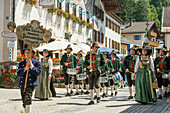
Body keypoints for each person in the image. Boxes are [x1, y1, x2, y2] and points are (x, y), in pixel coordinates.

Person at [17, 46, 41, 113]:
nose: (27, 54)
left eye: (29, 53)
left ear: (32, 54)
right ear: (24, 54)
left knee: (28, 98)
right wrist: (25, 69)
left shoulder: (36, 62)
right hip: (23, 83)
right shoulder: (21, 63)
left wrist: (32, 67)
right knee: (24, 100)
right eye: (26, 53)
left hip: (31, 83)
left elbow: (38, 73)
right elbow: (18, 73)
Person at [134, 38, 157, 104]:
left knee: (148, 85)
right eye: (143, 50)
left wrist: (154, 74)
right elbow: (136, 66)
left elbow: (152, 66)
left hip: (148, 74)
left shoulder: (150, 57)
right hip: (140, 73)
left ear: (147, 51)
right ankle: (141, 99)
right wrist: (134, 74)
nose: (144, 51)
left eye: (145, 50)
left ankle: (149, 98)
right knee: (140, 85)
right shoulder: (139, 57)